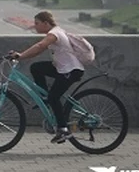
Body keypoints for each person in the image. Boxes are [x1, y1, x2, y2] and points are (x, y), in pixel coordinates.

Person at [7, 10, 84, 144]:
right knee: (36, 68)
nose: (35, 26)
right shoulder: (56, 31)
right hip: (62, 68)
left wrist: (21, 56)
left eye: (37, 23)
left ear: (46, 23)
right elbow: (39, 49)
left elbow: (40, 46)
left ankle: (63, 129)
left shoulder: (54, 33)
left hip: (71, 70)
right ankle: (44, 98)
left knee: (54, 97)